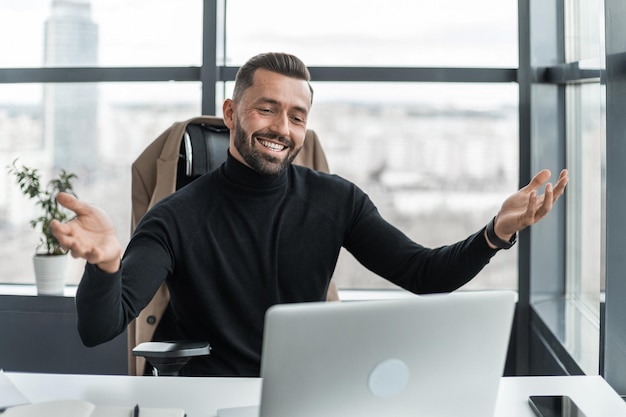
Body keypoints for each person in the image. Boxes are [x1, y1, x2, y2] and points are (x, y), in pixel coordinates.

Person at [51, 52, 569, 377]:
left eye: (297, 116)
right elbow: (99, 327)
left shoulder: (336, 200)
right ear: (231, 113)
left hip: (309, 392)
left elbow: (424, 275)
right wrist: (107, 265)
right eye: (266, 108)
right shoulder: (175, 216)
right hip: (212, 399)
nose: (282, 127)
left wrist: (497, 233)